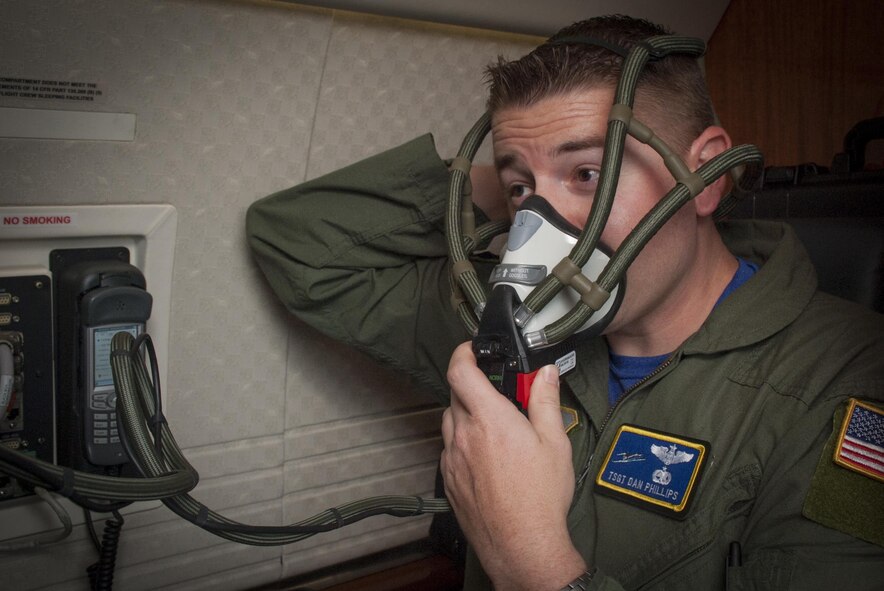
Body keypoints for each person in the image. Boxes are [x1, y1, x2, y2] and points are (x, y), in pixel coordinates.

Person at [246, 15, 884, 591]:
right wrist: (513, 184)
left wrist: (531, 563)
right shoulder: (512, 328)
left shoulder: (845, 381)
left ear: (704, 179)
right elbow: (297, 242)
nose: (542, 229)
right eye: (522, 190)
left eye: (588, 174)